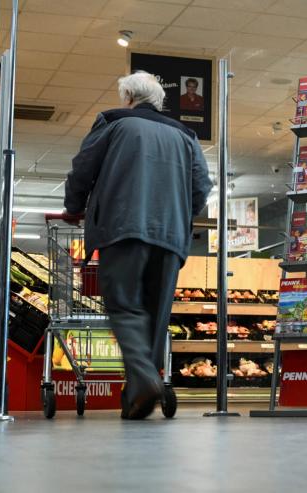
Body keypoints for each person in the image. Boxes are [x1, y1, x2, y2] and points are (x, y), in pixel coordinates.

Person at [64, 71, 212, 419]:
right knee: (155, 317)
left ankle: (144, 380)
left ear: (129, 96)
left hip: (123, 227)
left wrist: (74, 207)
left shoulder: (113, 122)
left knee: (125, 306)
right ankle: (137, 399)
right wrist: (179, 214)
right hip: (171, 237)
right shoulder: (186, 135)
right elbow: (201, 189)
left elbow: (83, 168)